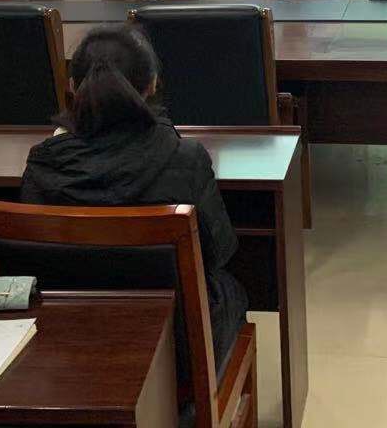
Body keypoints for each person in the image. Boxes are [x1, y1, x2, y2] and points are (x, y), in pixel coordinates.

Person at [21, 24, 248, 366]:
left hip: (67, 343)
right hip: (176, 348)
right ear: (152, 84)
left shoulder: (42, 164)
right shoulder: (184, 159)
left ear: (72, 87)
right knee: (231, 287)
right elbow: (219, 251)